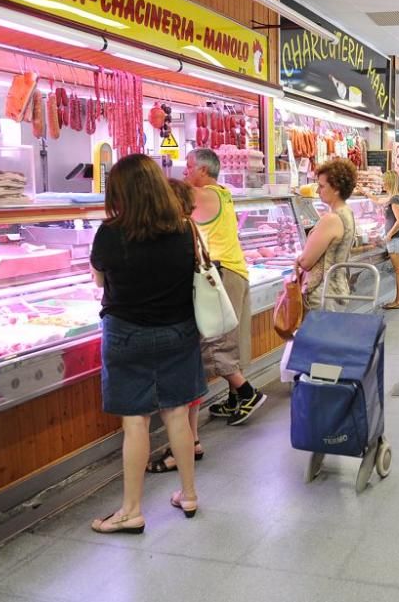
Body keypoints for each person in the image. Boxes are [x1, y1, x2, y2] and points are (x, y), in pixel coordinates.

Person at [89, 154, 205, 533]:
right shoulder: (184, 228)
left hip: (126, 334)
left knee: (135, 421)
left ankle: (131, 510)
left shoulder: (110, 232)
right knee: (177, 414)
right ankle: (188, 494)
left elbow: (99, 283)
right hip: (178, 331)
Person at [183, 149, 266, 426]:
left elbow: (164, 198)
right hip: (236, 270)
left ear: (203, 170)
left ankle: (248, 393)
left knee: (215, 340)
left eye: (188, 166)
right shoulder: (223, 192)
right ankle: (234, 399)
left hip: (222, 273)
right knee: (232, 337)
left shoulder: (203, 194)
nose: (185, 172)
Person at [146, 179, 207, 474]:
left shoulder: (175, 231)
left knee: (178, 399)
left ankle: (181, 448)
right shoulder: (190, 228)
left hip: (175, 320)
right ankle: (192, 440)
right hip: (191, 316)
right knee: (190, 387)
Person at [295, 159, 357, 309]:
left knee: (317, 332)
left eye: (321, 186)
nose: (317, 191)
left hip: (322, 294)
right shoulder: (347, 213)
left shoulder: (331, 219)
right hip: (337, 289)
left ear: (336, 188)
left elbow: (306, 262)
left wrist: (298, 259)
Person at [368, 170, 399, 310]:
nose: (382, 182)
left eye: (384, 180)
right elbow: (377, 200)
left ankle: (398, 301)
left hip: (396, 239)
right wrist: (366, 193)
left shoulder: (394, 199)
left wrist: (388, 236)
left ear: (389, 182)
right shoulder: (395, 197)